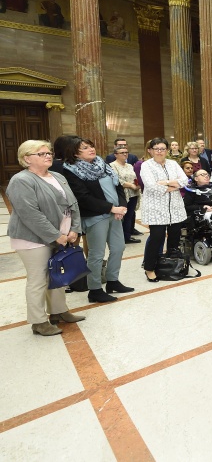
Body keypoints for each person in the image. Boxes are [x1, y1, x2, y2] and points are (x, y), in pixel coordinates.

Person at [8, 140, 84, 336]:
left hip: (63, 236)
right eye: (41, 154)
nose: (48, 155)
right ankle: (38, 321)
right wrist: (55, 235)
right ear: (27, 159)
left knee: (58, 275)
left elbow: (72, 203)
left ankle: (58, 312)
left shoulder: (57, 176)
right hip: (32, 239)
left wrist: (75, 228)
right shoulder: (21, 180)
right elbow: (30, 214)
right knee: (38, 279)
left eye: (48, 152)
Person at [62, 137, 131, 302]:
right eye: (85, 148)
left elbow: (118, 186)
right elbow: (83, 197)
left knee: (118, 247)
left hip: (115, 213)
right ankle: (94, 289)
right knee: (96, 254)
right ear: (75, 153)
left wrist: (121, 207)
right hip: (95, 216)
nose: (91, 149)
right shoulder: (71, 170)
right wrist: (111, 208)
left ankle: (113, 280)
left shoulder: (102, 164)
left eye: (91, 146)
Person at [140, 138, 188, 282]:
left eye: (162, 149)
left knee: (174, 237)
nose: (159, 151)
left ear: (167, 150)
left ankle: (170, 264)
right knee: (157, 237)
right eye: (156, 149)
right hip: (156, 208)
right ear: (150, 150)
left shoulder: (173, 164)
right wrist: (173, 186)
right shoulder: (146, 166)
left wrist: (166, 183)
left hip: (175, 207)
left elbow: (185, 180)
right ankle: (149, 268)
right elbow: (150, 185)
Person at [109, 144, 141, 244]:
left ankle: (127, 236)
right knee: (122, 216)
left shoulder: (130, 166)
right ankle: (120, 237)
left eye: (126, 152)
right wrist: (131, 185)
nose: (125, 154)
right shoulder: (112, 166)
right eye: (122, 153)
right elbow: (117, 180)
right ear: (116, 154)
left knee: (130, 215)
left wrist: (137, 184)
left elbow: (135, 177)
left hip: (133, 193)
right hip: (122, 194)